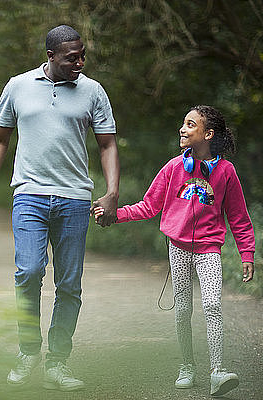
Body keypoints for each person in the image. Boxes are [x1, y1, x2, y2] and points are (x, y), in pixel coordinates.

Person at [0, 24, 120, 391]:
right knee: (27, 272)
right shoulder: (18, 86)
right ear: (51, 56)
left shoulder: (92, 91)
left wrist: (112, 191)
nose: (80, 62)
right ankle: (28, 351)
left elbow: (107, 145)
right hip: (29, 195)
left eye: (83, 55)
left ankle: (58, 361)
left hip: (75, 198)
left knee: (69, 283)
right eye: (72, 57)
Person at [93, 105, 255, 397]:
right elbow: (148, 206)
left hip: (209, 250)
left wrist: (246, 253)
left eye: (190, 125)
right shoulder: (173, 167)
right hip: (178, 249)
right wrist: (116, 215)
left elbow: (239, 217)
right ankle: (187, 366)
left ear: (208, 134)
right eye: (183, 124)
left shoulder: (226, 172)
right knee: (183, 310)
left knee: (212, 305)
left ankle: (217, 371)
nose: (183, 129)